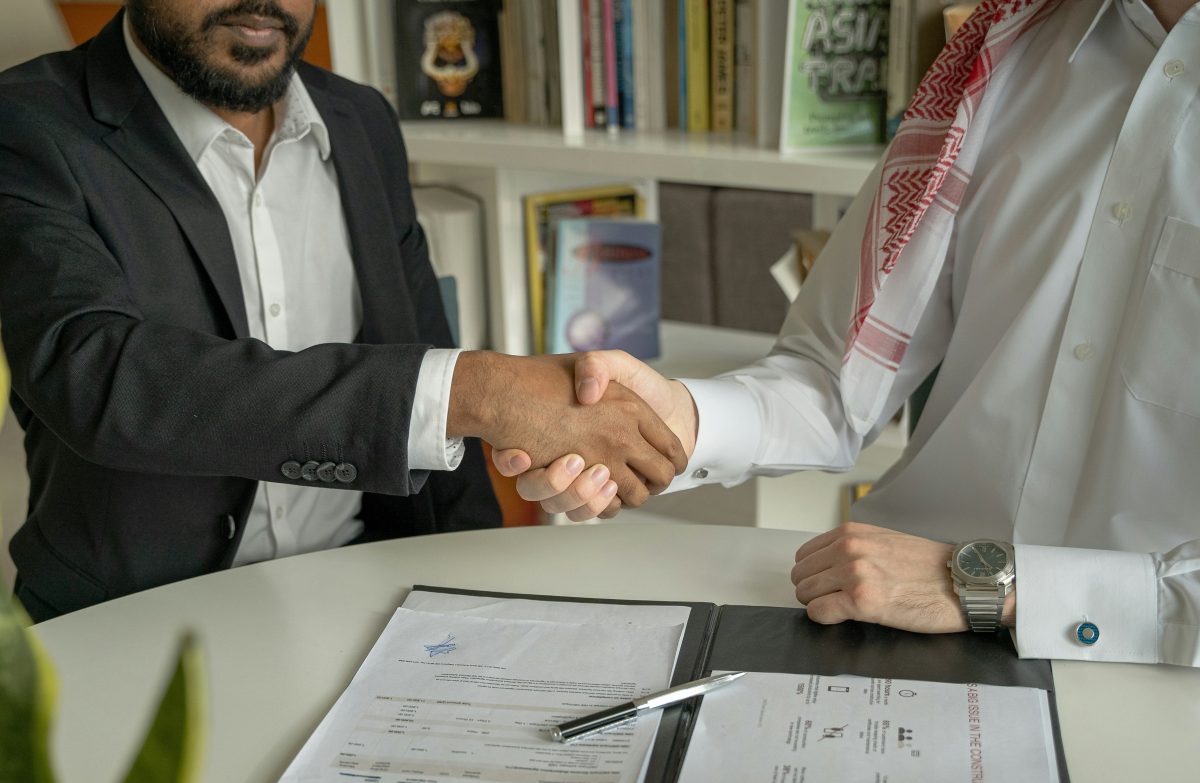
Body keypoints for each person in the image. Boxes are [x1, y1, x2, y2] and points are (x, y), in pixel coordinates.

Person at [496, 0, 1200, 667]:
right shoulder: (1006, 47)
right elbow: (833, 378)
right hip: (886, 625)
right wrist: (673, 423)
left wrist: (998, 589)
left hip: (1156, 681)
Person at [0, 0, 684, 621]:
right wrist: (476, 391)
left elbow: (423, 346)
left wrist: (483, 591)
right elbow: (97, 375)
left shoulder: (361, 119)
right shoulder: (27, 123)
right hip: (126, 628)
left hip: (371, 597)